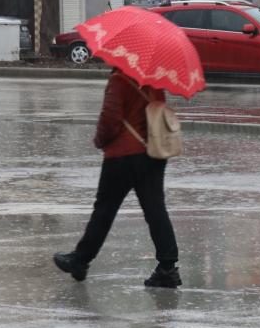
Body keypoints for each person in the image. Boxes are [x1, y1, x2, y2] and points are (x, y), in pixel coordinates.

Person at [54, 68, 182, 288]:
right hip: (152, 153)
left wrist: (99, 140)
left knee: (104, 210)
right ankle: (167, 268)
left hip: (121, 156)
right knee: (155, 210)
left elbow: (110, 119)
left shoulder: (119, 79)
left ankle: (80, 260)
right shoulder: (154, 79)